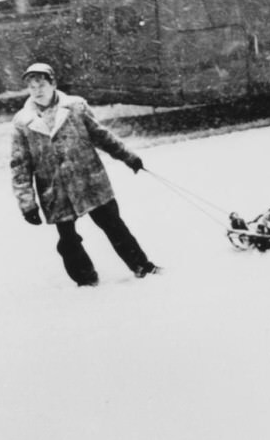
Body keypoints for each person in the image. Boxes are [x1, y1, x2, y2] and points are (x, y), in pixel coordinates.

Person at [11, 62, 159, 286]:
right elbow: (20, 166)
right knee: (68, 240)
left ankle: (142, 266)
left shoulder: (75, 108)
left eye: (41, 84)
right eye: (32, 87)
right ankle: (85, 279)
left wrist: (129, 157)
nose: (37, 90)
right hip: (55, 191)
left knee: (114, 226)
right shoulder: (23, 122)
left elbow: (102, 136)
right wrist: (27, 204)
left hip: (91, 182)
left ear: (53, 83)